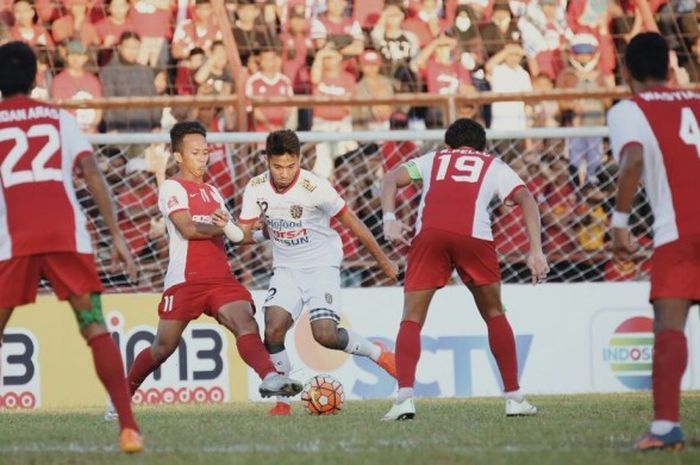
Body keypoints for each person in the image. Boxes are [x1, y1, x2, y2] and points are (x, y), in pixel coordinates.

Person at [0, 41, 143, 453]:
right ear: (35, 78)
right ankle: (129, 429)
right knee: (94, 325)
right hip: (66, 234)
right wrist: (115, 234)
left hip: (14, 237)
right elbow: (92, 171)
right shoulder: (58, 118)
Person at [115, 122, 303, 415]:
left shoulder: (213, 192)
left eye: (205, 152)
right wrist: (228, 228)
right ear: (178, 157)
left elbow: (233, 236)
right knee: (162, 348)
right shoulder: (172, 187)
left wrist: (264, 232)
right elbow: (188, 228)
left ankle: (270, 377)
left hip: (220, 278)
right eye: (195, 152)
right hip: (186, 279)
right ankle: (122, 396)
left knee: (246, 322)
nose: (203, 157)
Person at [380, 118, 549, 420]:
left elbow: (391, 178)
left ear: (448, 146)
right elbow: (526, 199)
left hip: (430, 234)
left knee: (412, 318)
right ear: (482, 147)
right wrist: (535, 250)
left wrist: (389, 219)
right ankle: (514, 398)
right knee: (494, 313)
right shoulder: (493, 164)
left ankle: (404, 398)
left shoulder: (434, 159)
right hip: (475, 237)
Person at [236, 129, 399, 416]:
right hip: (285, 268)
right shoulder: (256, 188)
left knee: (324, 335)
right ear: (266, 161)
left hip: (321, 265)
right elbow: (245, 235)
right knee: (272, 328)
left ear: (299, 159)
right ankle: (282, 403)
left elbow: (352, 222)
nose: (284, 173)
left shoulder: (316, 187)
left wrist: (383, 261)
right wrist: (249, 232)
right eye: (277, 166)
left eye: (291, 165)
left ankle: (380, 354)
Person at [607, 32, 700, 451]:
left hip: (679, 231)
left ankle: (665, 429)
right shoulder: (697, 101)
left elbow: (633, 159)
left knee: (669, 326)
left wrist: (620, 222)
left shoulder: (629, 109)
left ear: (626, 72)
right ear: (668, 68)